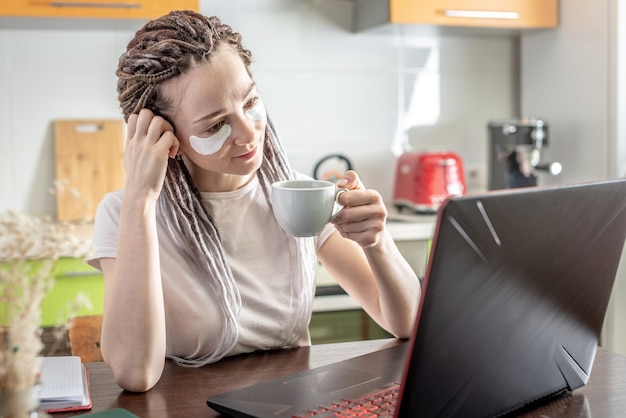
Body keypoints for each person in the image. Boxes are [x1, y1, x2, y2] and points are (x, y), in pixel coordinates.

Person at [87, 9, 420, 393]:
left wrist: (378, 244)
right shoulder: (125, 213)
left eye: (249, 103)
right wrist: (140, 200)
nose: (248, 134)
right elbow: (135, 374)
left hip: (295, 402)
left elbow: (407, 322)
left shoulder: (300, 195)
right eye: (215, 125)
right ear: (162, 135)